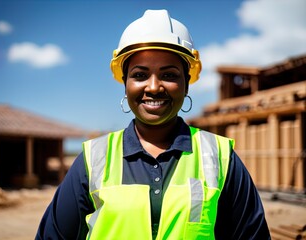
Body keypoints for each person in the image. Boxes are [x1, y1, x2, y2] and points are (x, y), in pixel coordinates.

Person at [36, 9, 270, 239]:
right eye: (140, 75)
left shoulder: (220, 158)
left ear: (186, 84)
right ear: (125, 83)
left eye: (169, 75)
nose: (154, 86)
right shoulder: (93, 160)